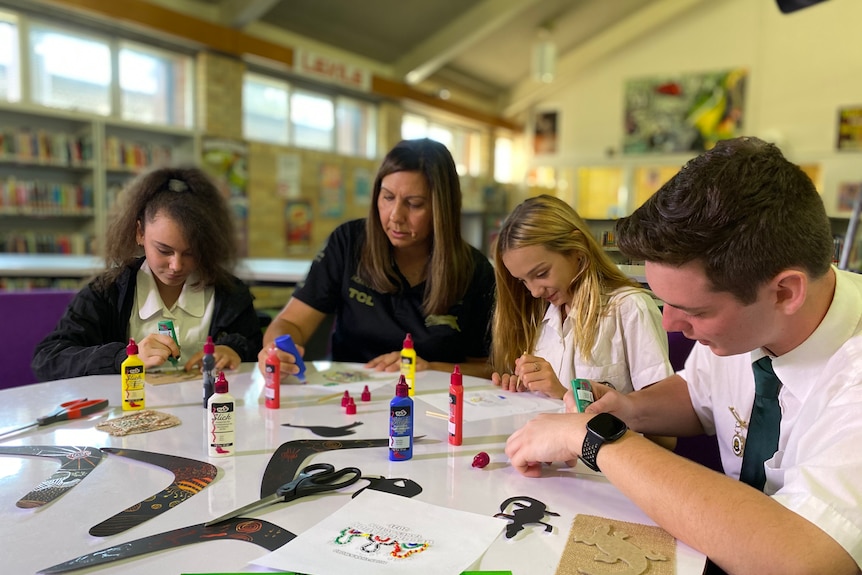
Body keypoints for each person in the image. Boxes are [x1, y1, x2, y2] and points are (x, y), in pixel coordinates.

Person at [505, 137, 862, 574]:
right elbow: (699, 393)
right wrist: (627, 408)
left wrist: (597, 439)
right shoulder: (748, 322)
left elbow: (808, 560)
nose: (670, 324)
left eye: (694, 310)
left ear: (785, 291)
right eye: (663, 301)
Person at [259, 138, 495, 380]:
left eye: (414, 204)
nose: (396, 216)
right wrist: (276, 350)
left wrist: (429, 367)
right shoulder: (349, 242)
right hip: (346, 394)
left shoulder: (474, 270)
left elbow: (490, 368)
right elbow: (291, 323)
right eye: (388, 197)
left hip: (433, 404)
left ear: (442, 208)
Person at [32, 167, 262, 381]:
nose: (176, 265)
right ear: (140, 232)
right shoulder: (108, 292)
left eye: (191, 253)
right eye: (164, 250)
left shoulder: (230, 294)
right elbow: (48, 359)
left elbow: (254, 346)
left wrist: (233, 350)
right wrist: (125, 357)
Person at [489, 194, 672, 399]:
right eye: (523, 281)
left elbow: (659, 418)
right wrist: (523, 388)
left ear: (577, 248)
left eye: (541, 274)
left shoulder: (629, 309)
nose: (535, 292)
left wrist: (562, 394)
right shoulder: (536, 315)